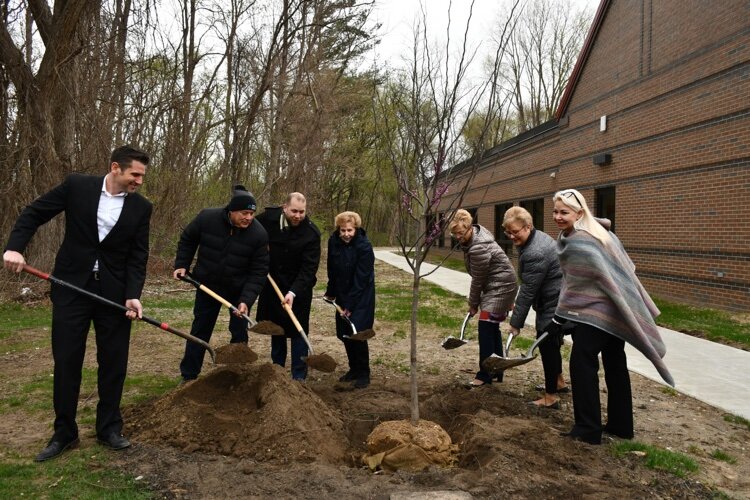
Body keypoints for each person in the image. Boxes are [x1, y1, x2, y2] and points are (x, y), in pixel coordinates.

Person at [3, 146, 152, 461]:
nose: (139, 181)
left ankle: (109, 429)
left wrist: (133, 293)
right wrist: (15, 247)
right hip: (70, 287)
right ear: (115, 168)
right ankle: (64, 433)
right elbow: (34, 213)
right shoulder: (77, 186)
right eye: (134, 174)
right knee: (67, 361)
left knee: (113, 363)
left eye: (142, 176)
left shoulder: (141, 208)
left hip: (113, 296)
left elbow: (138, 256)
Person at [550, 188, 674, 445]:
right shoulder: (603, 234)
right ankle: (621, 425)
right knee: (615, 362)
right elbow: (626, 267)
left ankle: (587, 428)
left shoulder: (579, 242)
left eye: (564, 212)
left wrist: (559, 316)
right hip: (616, 312)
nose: (558, 217)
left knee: (582, 362)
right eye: (555, 211)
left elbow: (573, 285)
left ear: (579, 213)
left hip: (596, 314)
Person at [173, 185, 269, 383]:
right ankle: (189, 375)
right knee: (200, 329)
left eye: (252, 213)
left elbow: (259, 272)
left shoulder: (259, 234)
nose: (249, 218)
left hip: (238, 290)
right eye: (244, 213)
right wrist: (182, 264)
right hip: (207, 285)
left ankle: (237, 375)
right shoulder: (207, 218)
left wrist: (246, 300)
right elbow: (188, 239)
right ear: (231, 210)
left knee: (239, 332)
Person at [503, 206, 567, 409]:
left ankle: (551, 396)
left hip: (553, 302)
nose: (512, 236)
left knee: (546, 344)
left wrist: (515, 323)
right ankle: (558, 381)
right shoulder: (536, 237)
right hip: (556, 298)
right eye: (508, 232)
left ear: (528, 227)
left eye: (515, 232)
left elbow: (528, 290)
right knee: (553, 342)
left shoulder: (535, 252)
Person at [449, 209, 518, 387]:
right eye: (454, 233)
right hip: (500, 283)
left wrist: (473, 303)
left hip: (501, 286)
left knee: (485, 327)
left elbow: (478, 280)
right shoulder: (475, 238)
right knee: (492, 327)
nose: (457, 237)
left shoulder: (478, 246)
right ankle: (497, 369)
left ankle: (485, 373)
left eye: (460, 233)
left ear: (469, 228)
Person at [256, 192, 321, 381]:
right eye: (294, 211)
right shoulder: (268, 219)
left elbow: (309, 269)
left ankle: (298, 376)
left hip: (299, 288)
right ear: (285, 207)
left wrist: (293, 292)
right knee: (277, 329)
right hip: (273, 285)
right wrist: (260, 247)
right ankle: (277, 372)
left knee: (298, 330)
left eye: (302, 212)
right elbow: (251, 230)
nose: (298, 216)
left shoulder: (311, 233)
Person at [324, 211, 375, 389]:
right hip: (342, 293)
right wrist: (331, 292)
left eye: (350, 230)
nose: (346, 234)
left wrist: (351, 305)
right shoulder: (334, 242)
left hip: (361, 296)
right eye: (343, 230)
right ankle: (353, 369)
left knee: (357, 334)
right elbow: (332, 269)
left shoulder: (364, 247)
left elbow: (362, 278)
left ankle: (364, 373)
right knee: (345, 334)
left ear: (356, 229)